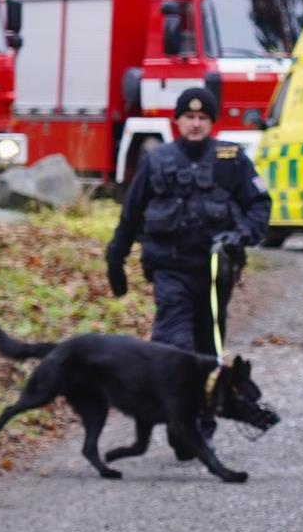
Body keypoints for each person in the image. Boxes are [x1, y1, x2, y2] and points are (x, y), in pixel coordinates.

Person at [105, 87, 270, 359]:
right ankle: (170, 385)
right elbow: (131, 213)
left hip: (215, 272)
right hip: (170, 269)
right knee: (172, 345)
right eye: (189, 117)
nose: (195, 124)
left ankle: (202, 385)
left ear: (212, 122)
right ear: (177, 120)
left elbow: (259, 204)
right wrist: (115, 259)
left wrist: (241, 236)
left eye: (202, 118)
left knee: (208, 351)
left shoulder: (231, 159)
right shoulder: (157, 160)